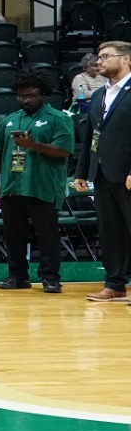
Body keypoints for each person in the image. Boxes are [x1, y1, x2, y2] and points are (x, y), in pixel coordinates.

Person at [0, 70, 75, 294]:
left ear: (43, 94)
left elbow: (64, 150)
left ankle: (50, 277)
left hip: (43, 185)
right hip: (13, 186)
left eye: (31, 95)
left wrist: (34, 146)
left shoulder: (59, 119)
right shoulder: (9, 120)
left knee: (47, 235)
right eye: (21, 96)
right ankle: (17, 275)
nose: (26, 100)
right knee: (13, 234)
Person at [75, 40, 131, 304]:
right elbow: (90, 136)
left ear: (126, 59)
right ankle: (115, 284)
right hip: (103, 173)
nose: (100, 61)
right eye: (99, 56)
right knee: (110, 231)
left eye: (106, 56)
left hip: (127, 173)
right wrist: (82, 171)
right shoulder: (98, 95)